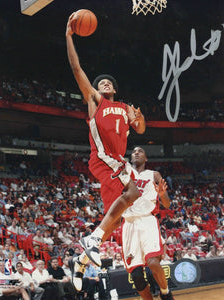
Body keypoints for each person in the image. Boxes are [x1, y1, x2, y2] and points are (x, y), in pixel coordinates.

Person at [66, 11, 145, 287]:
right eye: (101, 83)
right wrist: (69, 36)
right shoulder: (95, 102)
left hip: (118, 162)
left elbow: (141, 130)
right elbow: (77, 70)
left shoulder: (124, 108)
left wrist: (141, 119)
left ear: (115, 88)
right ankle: (92, 240)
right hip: (103, 158)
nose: (104, 83)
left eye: (108, 82)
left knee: (115, 216)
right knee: (132, 193)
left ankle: (82, 260)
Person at [121, 147, 174, 300]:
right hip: (129, 223)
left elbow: (167, 204)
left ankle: (165, 293)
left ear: (146, 159)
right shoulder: (124, 174)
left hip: (147, 220)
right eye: (134, 152)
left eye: (140, 151)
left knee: (153, 263)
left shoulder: (153, 174)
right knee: (136, 274)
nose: (136, 153)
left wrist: (162, 195)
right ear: (130, 158)